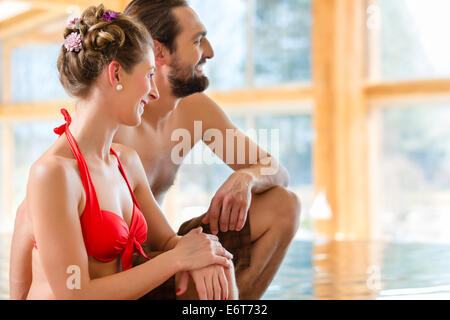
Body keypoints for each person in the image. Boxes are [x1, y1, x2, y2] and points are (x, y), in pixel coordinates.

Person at [10, 0, 302, 300]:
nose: (153, 90)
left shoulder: (132, 155)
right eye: (197, 40)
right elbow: (71, 286)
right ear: (117, 75)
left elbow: (167, 242)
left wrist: (207, 254)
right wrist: (180, 259)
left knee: (282, 207)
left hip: (143, 272)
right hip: (100, 285)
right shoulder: (61, 167)